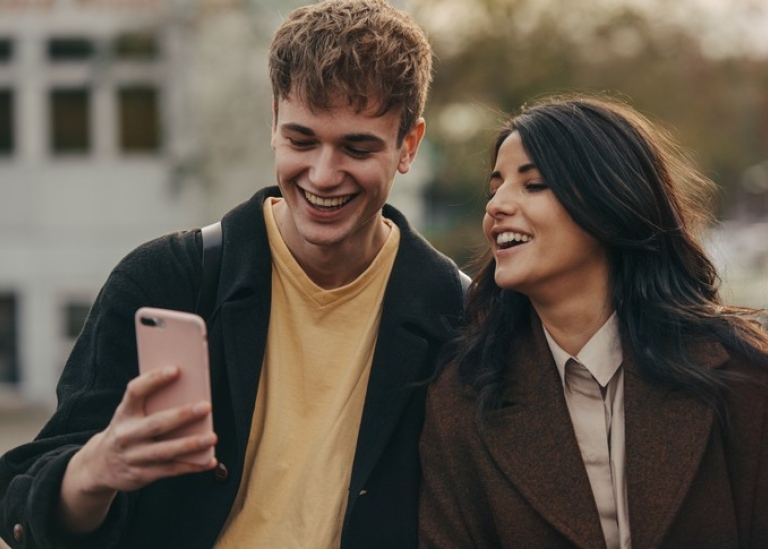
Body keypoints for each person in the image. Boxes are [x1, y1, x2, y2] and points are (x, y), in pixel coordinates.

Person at [0, 1, 467, 547]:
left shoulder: (454, 313)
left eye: (356, 147)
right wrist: (92, 471)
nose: (322, 173)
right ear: (273, 121)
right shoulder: (167, 281)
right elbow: (27, 503)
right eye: (301, 140)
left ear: (408, 145)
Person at [419, 95, 768, 547]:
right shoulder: (462, 398)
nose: (496, 207)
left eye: (533, 184)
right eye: (494, 188)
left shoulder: (744, 377)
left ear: (609, 201)